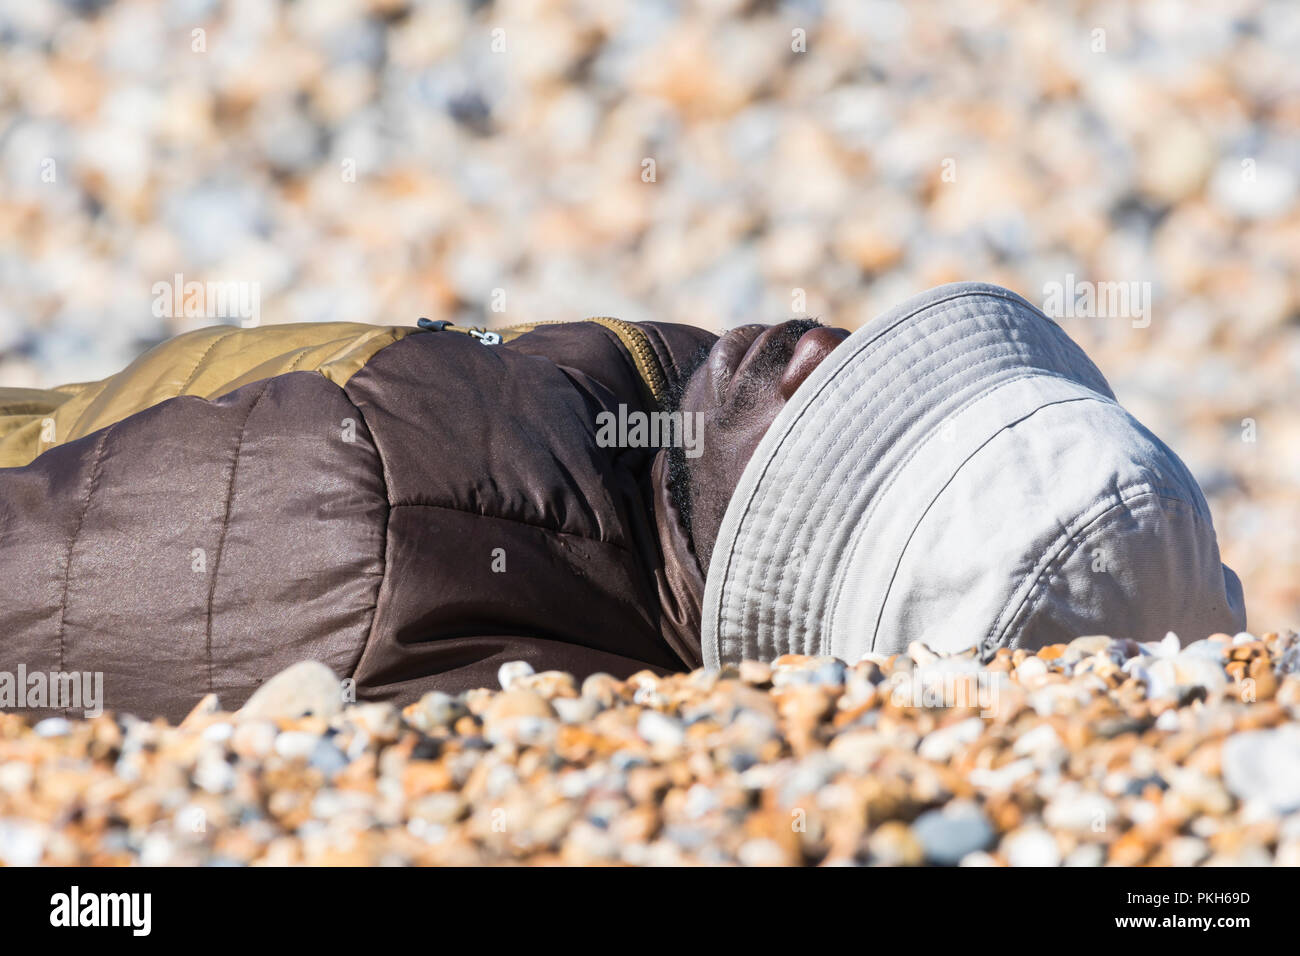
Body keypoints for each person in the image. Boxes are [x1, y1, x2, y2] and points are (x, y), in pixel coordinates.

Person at [0, 282, 1244, 720]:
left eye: (844, 426)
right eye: (874, 367)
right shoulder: (640, 498)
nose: (819, 346)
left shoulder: (363, 537)